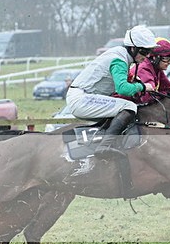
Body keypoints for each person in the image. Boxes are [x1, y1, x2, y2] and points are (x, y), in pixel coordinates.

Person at [66, 25, 158, 155]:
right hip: (81, 99)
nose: (147, 56)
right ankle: (104, 146)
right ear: (133, 48)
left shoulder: (120, 54)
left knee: (120, 109)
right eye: (144, 52)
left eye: (149, 52)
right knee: (129, 106)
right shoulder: (119, 60)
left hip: (83, 97)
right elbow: (123, 89)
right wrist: (143, 87)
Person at [128, 38, 170, 104]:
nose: (169, 62)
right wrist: (166, 94)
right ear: (155, 57)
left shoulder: (157, 68)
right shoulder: (144, 70)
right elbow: (148, 98)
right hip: (124, 106)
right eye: (166, 58)